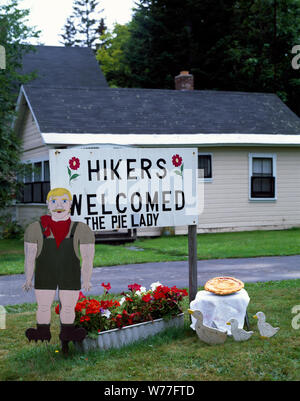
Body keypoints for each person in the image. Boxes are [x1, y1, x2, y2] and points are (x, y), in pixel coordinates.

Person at [23, 187, 95, 353]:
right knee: (43, 306)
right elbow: (30, 256)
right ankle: (42, 331)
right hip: (45, 273)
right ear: (48, 205)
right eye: (54, 201)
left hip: (70, 273)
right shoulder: (35, 229)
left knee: (68, 307)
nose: (59, 205)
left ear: (70, 204)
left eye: (64, 201)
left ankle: (67, 333)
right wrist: (28, 279)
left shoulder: (81, 229)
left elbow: (87, 258)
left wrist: (87, 279)